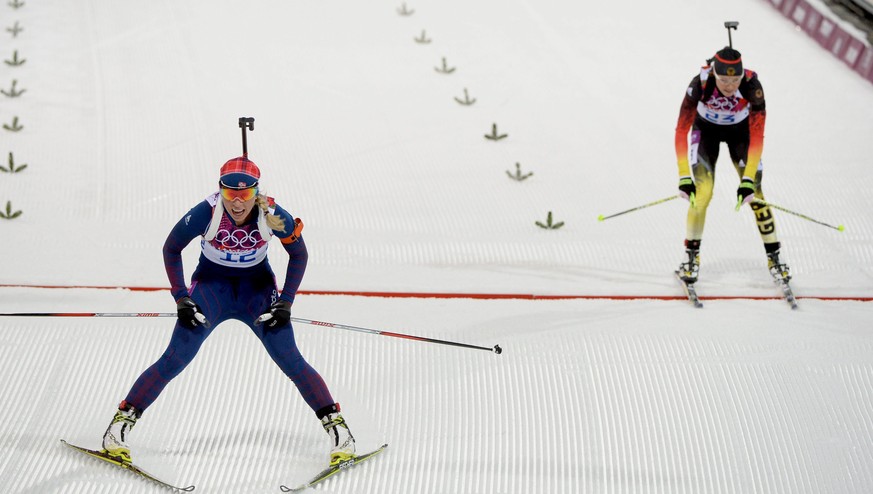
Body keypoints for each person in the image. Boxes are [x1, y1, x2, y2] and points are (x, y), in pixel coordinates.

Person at [101, 156, 355, 466]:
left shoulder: (271, 214)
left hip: (256, 292)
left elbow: (299, 254)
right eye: (229, 193)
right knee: (176, 357)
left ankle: (340, 433)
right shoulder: (205, 213)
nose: (237, 203)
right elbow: (171, 248)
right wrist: (181, 297)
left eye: (246, 194)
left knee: (290, 358)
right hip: (212, 289)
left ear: (256, 191)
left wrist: (286, 301)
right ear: (220, 190)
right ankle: (118, 428)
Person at [673, 46, 790, 284]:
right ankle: (691, 258)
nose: (730, 86)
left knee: (755, 195)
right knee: (702, 194)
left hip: (741, 135)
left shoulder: (752, 87)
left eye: (735, 80)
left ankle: (774, 257)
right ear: (715, 74)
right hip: (706, 133)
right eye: (724, 80)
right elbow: (681, 130)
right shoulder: (699, 84)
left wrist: (747, 180)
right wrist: (684, 176)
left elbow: (757, 136)